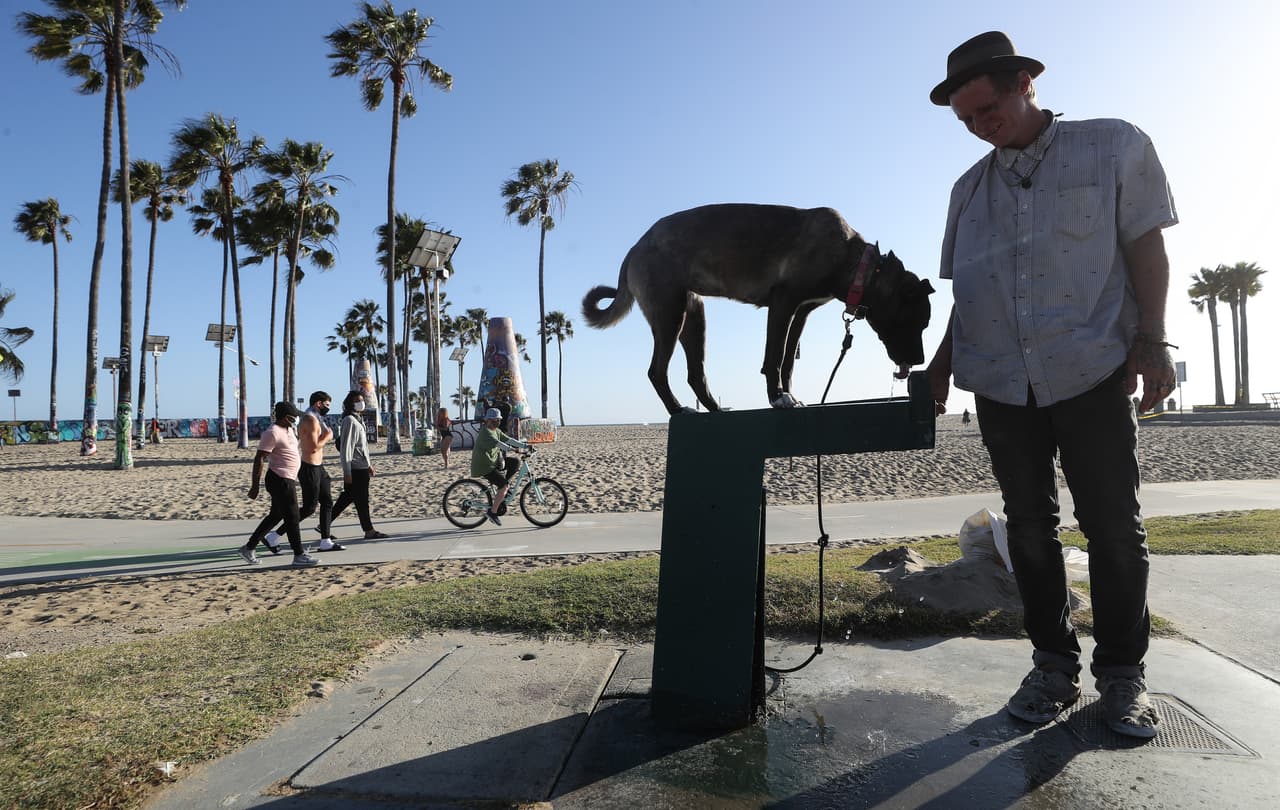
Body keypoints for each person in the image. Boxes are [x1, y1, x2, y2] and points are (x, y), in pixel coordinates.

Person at [927, 31, 1177, 739]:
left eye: (989, 108)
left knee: (1114, 528)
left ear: (1025, 84)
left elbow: (1146, 245)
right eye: (967, 120)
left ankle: (1123, 678)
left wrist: (1152, 340)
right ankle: (1051, 668)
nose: (981, 126)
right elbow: (969, 295)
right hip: (1001, 385)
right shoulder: (966, 192)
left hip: (1092, 369)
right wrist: (940, 368)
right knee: (1029, 528)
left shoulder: (1112, 145)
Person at [240, 401, 321, 568]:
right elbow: (260, 458)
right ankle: (299, 555)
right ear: (286, 417)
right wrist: (255, 486)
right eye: (294, 417)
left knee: (276, 515)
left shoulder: (289, 429)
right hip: (279, 479)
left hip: (288, 478)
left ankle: (248, 548)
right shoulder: (272, 433)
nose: (297, 419)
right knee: (293, 517)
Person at [264, 391, 344, 553]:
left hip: (319, 467)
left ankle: (325, 541)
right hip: (309, 467)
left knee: (327, 502)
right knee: (309, 508)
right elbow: (313, 447)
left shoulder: (316, 418)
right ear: (318, 404)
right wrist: (328, 436)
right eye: (326, 405)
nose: (328, 408)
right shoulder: (310, 420)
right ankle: (274, 536)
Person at [330, 390, 390, 540]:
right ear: (350, 403)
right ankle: (369, 530)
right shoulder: (350, 420)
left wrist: (368, 464)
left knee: (348, 498)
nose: (361, 403)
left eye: (362, 400)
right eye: (357, 400)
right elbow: (346, 448)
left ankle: (324, 523)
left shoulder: (357, 419)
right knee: (362, 501)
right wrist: (347, 472)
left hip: (362, 466)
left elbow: (362, 447)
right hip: (355, 468)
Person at [470, 407, 528, 526]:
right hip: (484, 466)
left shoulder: (496, 431)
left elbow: (508, 440)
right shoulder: (486, 433)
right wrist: (515, 450)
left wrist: (525, 445)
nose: (497, 422)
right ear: (488, 421)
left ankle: (503, 489)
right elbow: (501, 445)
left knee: (515, 462)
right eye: (495, 420)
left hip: (493, 462)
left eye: (499, 420)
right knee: (503, 486)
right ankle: (493, 512)